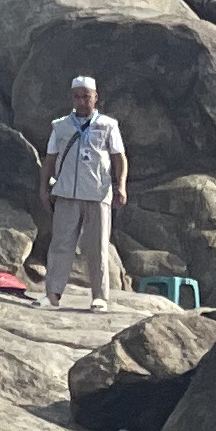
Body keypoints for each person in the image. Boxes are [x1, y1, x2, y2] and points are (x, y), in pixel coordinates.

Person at [40, 74, 123, 308]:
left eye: (87, 96)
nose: (82, 101)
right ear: (72, 98)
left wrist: (121, 185)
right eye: (77, 96)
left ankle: (99, 296)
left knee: (97, 247)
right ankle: (53, 294)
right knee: (60, 245)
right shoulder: (60, 126)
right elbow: (50, 159)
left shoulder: (108, 125)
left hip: (97, 193)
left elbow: (119, 157)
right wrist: (44, 189)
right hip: (67, 192)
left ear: (95, 97)